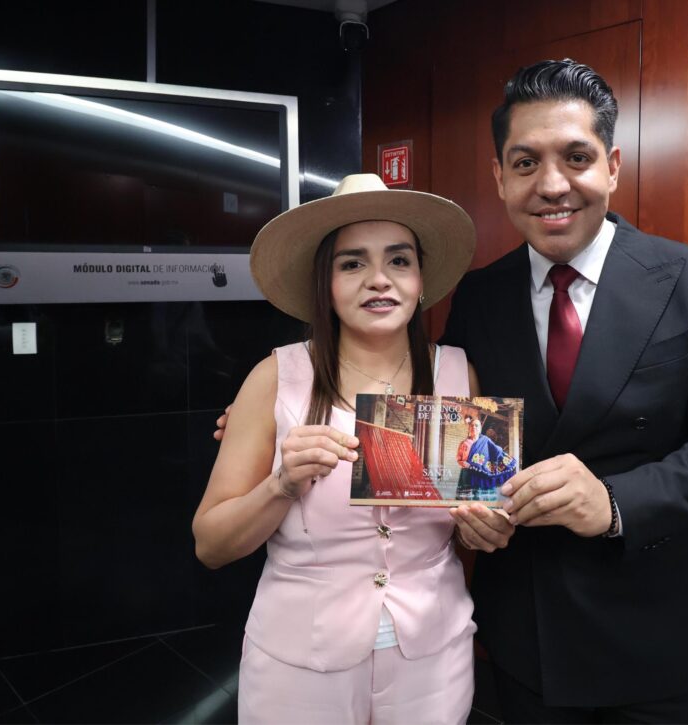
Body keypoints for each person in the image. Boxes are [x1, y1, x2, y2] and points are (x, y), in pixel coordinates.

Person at [439, 59, 688, 722]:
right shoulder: (478, 295)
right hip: (526, 640)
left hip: (657, 642)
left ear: (613, 166)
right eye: (526, 163)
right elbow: (465, 440)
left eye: (576, 157)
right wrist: (470, 511)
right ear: (499, 177)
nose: (552, 185)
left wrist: (615, 502)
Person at [192, 173, 508, 724]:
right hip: (299, 664)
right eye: (352, 263)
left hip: (434, 659)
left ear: (420, 277)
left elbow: (471, 517)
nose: (378, 280)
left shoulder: (458, 374)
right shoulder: (276, 378)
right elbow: (210, 545)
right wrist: (280, 485)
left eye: (399, 260)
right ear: (326, 282)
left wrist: (487, 527)